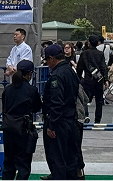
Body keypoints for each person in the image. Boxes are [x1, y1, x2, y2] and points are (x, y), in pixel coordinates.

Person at [42, 43, 80, 181]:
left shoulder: (57, 76)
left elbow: (57, 102)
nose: (47, 63)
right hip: (70, 120)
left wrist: (52, 124)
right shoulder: (71, 71)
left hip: (59, 123)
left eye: (47, 60)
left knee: (57, 159)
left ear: (51, 58)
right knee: (70, 158)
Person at [2, 60, 42, 181]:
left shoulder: (7, 89)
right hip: (24, 129)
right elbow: (36, 108)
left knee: (9, 164)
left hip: (8, 128)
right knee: (23, 165)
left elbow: (4, 106)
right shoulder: (31, 90)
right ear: (29, 74)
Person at [76, 35, 108, 123]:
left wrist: (77, 79)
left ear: (89, 43)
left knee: (85, 99)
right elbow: (103, 67)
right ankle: (98, 120)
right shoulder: (100, 54)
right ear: (98, 43)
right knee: (99, 100)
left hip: (87, 79)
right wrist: (106, 80)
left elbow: (79, 68)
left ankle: (86, 115)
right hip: (98, 79)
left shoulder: (84, 53)